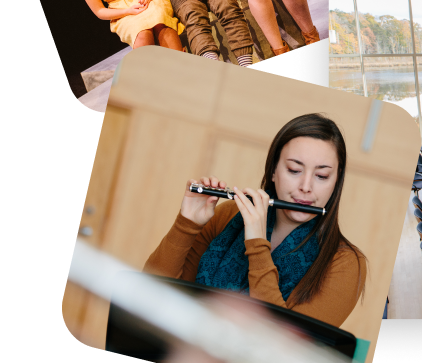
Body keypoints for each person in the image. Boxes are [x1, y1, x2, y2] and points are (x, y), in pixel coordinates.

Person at [144, 113, 367, 327]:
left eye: (322, 176)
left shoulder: (346, 263)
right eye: (294, 170)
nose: (306, 187)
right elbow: (151, 294)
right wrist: (187, 223)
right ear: (273, 171)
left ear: (336, 182)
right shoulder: (229, 214)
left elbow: (285, 346)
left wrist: (257, 244)